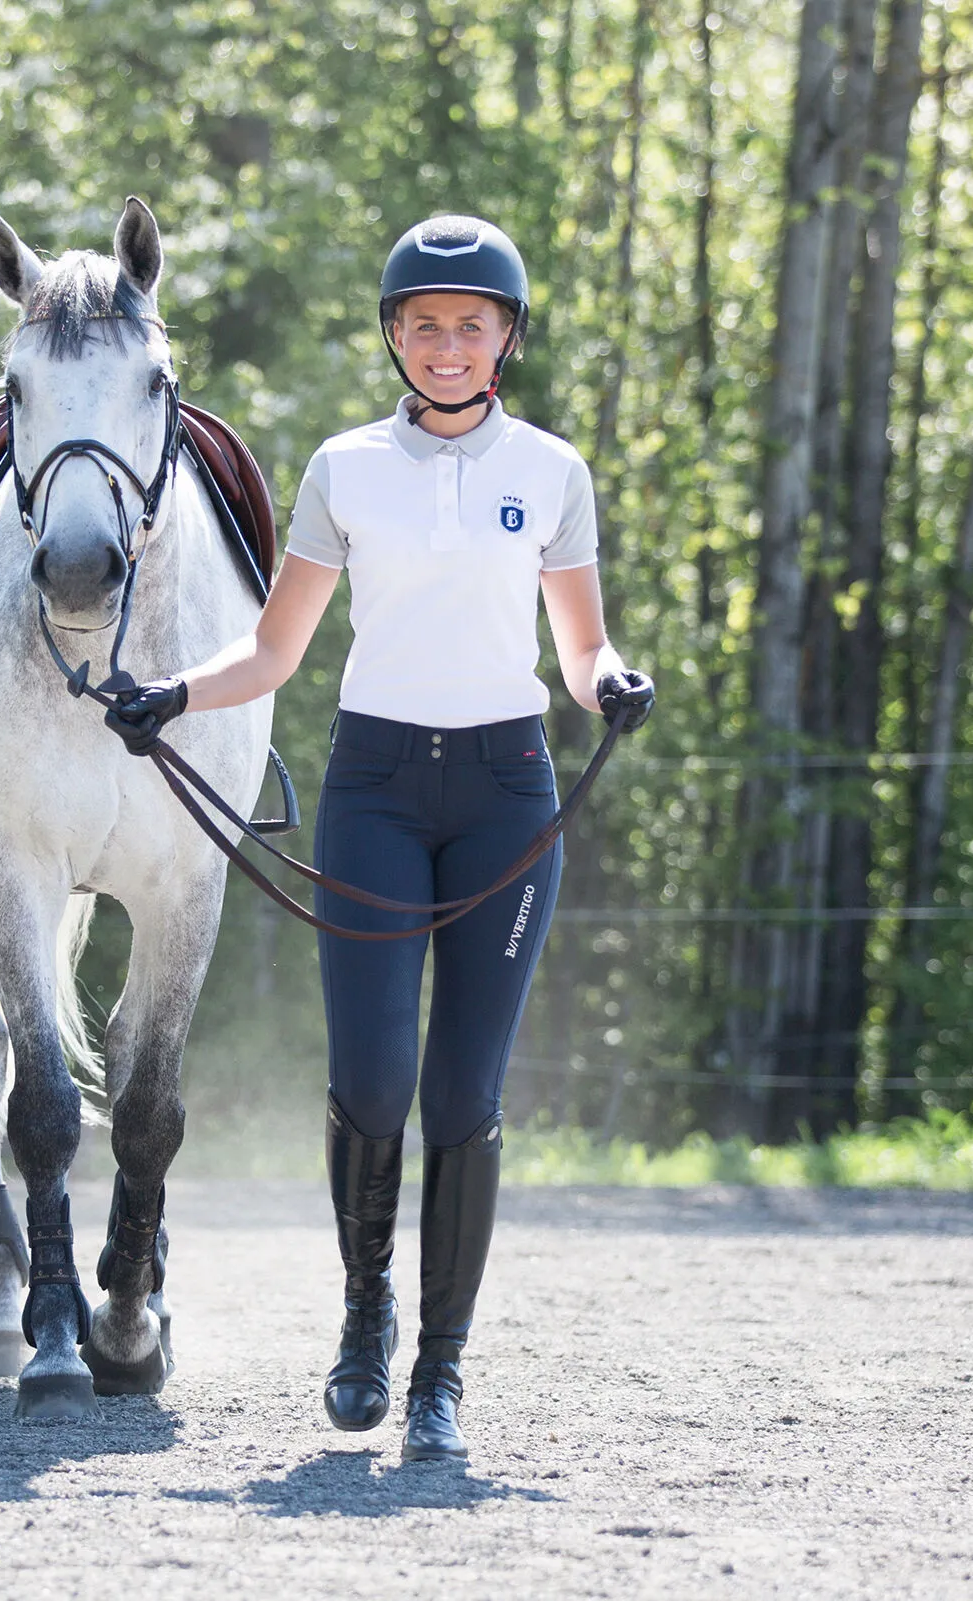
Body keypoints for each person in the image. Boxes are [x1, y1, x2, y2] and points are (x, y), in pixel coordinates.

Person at [105, 215, 653, 1462]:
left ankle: (439, 1375)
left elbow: (579, 646)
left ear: (506, 337)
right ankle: (365, 1310)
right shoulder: (345, 467)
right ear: (393, 338)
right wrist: (171, 697)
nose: (447, 345)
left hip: (508, 791)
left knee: (462, 1094)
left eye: (471, 325)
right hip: (374, 786)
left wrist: (615, 679)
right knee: (369, 1084)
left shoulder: (551, 472)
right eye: (424, 325)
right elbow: (275, 651)